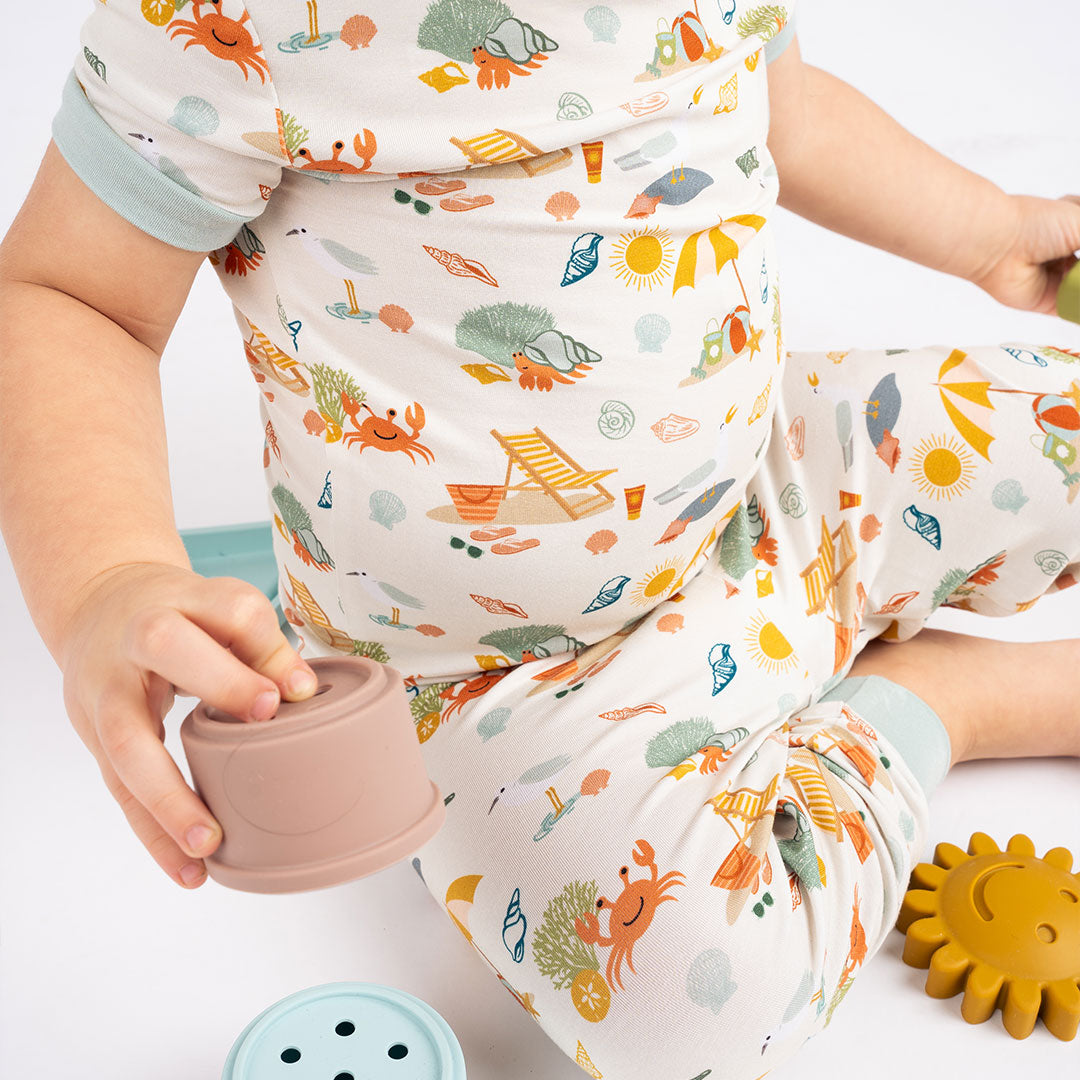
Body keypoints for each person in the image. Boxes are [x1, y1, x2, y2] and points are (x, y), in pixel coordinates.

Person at [1, 2, 1078, 1075]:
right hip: (490, 673)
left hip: (779, 485)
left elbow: (782, 108)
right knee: (685, 1006)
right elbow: (72, 294)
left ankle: (819, 631)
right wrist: (108, 575)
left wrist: (993, 233)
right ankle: (947, 699)